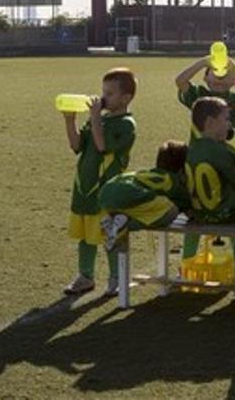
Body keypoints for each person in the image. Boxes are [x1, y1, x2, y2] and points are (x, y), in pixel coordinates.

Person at [61, 67, 137, 297]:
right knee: (85, 236)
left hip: (106, 192)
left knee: (109, 236)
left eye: (110, 93)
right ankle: (86, 276)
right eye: (103, 91)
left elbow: (103, 146)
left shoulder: (126, 125)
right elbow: (76, 146)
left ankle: (115, 277)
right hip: (84, 188)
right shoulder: (98, 120)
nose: (103, 97)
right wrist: (70, 121)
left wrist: (95, 118)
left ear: (126, 98)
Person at [174, 55, 235, 260]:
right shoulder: (200, 99)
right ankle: (187, 263)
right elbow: (180, 81)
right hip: (201, 163)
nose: (219, 81)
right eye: (213, 76)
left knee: (234, 213)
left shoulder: (234, 99)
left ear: (233, 80)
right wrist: (203, 63)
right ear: (205, 78)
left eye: (225, 77)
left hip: (229, 162)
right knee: (196, 216)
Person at [184, 97, 235, 286]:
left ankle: (185, 271)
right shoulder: (221, 151)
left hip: (201, 214)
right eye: (226, 119)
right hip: (224, 214)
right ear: (210, 122)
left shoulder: (192, 149)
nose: (229, 124)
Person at [99, 141, 190, 247]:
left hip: (105, 192)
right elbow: (184, 200)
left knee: (142, 208)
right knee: (171, 210)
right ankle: (124, 226)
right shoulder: (171, 180)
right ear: (180, 170)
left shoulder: (148, 173)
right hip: (128, 193)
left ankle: (115, 220)